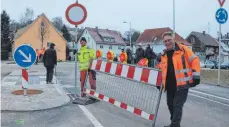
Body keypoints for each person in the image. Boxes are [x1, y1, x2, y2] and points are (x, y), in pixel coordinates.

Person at [156, 32, 200, 127]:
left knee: (177, 105)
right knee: (170, 104)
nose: (167, 42)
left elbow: (195, 60)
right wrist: (160, 82)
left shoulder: (183, 49)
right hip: (170, 84)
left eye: (169, 40)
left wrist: (196, 75)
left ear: (173, 39)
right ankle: (174, 123)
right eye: (165, 41)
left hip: (182, 84)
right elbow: (162, 70)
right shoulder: (164, 54)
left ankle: (175, 125)